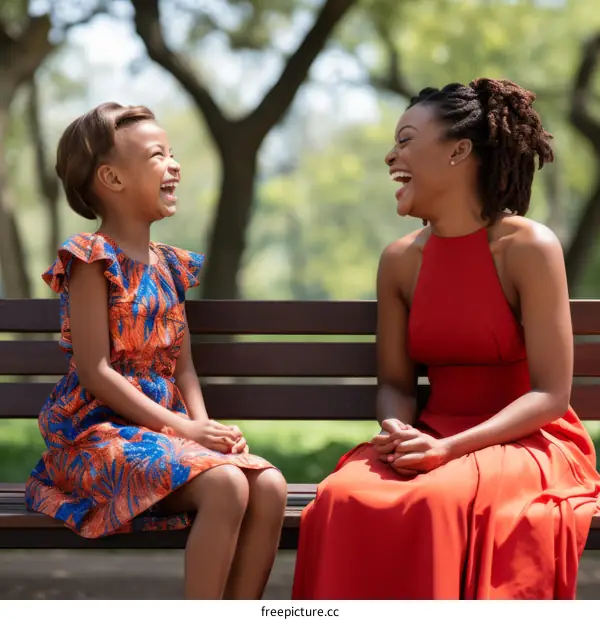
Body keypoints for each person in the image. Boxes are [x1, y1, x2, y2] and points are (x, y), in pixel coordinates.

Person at [292, 78, 600, 600]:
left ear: (459, 151)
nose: (392, 155)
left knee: (436, 501)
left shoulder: (528, 246)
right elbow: (395, 382)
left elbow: (551, 395)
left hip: (524, 440)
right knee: (342, 496)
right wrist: (396, 431)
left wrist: (449, 449)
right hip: (431, 435)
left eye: (407, 140)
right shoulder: (398, 261)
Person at [25, 102, 287, 600]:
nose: (175, 165)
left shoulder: (169, 265)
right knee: (228, 486)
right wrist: (185, 429)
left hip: (164, 437)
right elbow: (95, 371)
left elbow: (183, 367)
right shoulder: (90, 259)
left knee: (269, 487)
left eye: (172, 153)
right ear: (112, 178)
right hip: (95, 439)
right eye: (157, 155)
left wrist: (207, 431)